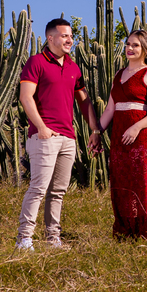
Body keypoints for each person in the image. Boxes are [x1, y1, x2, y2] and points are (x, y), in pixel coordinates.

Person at [15, 18, 99, 251]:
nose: (69, 39)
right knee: (38, 188)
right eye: (64, 36)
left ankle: (53, 239)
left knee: (58, 191)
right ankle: (24, 239)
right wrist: (41, 127)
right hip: (44, 137)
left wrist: (95, 130)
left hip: (68, 138)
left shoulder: (73, 67)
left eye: (71, 36)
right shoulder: (36, 62)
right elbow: (25, 96)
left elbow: (84, 100)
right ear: (50, 38)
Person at [96, 29, 147, 241]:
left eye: (135, 45)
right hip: (120, 136)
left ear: (145, 49)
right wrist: (96, 132)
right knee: (122, 183)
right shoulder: (119, 75)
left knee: (142, 183)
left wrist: (137, 127)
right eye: (128, 44)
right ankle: (126, 231)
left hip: (143, 136)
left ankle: (146, 231)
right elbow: (111, 109)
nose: (130, 48)